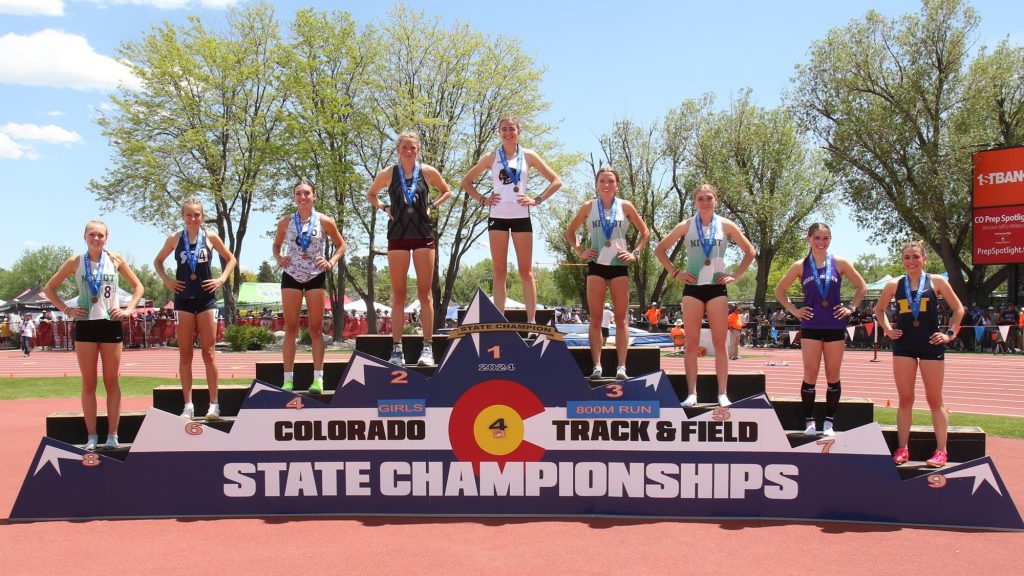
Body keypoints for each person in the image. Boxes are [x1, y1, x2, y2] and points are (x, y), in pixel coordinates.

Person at [42, 220, 143, 450]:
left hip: (110, 325)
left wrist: (128, 310)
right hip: (86, 325)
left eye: (100, 235)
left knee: (112, 382)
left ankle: (113, 436)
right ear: (84, 237)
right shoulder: (75, 261)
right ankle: (91, 437)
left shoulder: (115, 259)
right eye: (92, 235)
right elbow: (49, 288)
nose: (96, 239)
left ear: (107, 237)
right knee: (89, 383)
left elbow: (138, 287)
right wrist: (66, 310)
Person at [655, 184, 756, 407]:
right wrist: (675, 273)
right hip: (692, 289)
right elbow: (659, 250)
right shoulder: (686, 225)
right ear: (695, 202)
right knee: (691, 343)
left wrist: (736, 275)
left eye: (709, 198)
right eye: (700, 198)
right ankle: (692, 393)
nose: (705, 202)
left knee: (720, 343)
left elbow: (750, 251)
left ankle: (722, 393)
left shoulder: (726, 225)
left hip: (717, 288)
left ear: (716, 200)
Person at [461, 116, 562, 324]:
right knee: (499, 272)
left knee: (526, 271)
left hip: (521, 216)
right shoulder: (491, 157)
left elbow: (556, 181)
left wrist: (537, 199)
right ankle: (500, 320)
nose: (508, 133)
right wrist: (482, 199)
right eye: (504, 129)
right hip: (497, 216)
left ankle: (532, 322)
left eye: (512, 129)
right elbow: (466, 182)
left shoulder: (529, 155)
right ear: (499, 132)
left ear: (519, 132)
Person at [874, 241, 964, 467]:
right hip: (903, 346)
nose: (911, 261)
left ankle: (941, 451)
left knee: (935, 400)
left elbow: (959, 308)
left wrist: (950, 334)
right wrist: (888, 330)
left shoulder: (937, 281)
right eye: (907, 257)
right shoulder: (894, 284)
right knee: (905, 399)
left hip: (931, 344)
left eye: (916, 257)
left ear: (924, 259)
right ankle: (902, 448)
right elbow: (879, 309)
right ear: (902, 260)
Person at [773, 223, 868, 436]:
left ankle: (828, 422)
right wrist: (795, 311)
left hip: (835, 326)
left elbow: (862, 287)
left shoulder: (840, 263)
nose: (821, 242)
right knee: (811, 374)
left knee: (833, 374)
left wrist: (851, 308)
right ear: (808, 239)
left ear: (830, 240)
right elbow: (779, 291)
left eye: (825, 238)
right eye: (817, 238)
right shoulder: (800, 265)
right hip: (811, 326)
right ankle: (808, 422)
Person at [367, 131, 452, 365]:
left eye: (412, 148)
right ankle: (396, 349)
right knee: (399, 294)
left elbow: (447, 190)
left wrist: (432, 205)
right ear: (398, 150)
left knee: (425, 294)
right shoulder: (388, 173)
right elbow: (371, 195)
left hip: (423, 234)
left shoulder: (427, 171)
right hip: (398, 236)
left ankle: (427, 348)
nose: (408, 151)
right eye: (404, 147)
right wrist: (384, 208)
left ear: (418, 150)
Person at [565, 166, 651, 380]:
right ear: (597, 183)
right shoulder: (588, 207)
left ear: (617, 184)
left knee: (621, 320)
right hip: (596, 266)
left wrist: (635, 253)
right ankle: (597, 367)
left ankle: (622, 367)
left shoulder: (625, 206)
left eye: (611, 181)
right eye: (603, 181)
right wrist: (580, 250)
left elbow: (645, 232)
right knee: (595, 319)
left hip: (619, 266)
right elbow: (569, 232)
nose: (606, 185)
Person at [155, 198, 237, 420]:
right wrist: (167, 281)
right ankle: (188, 406)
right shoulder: (175, 238)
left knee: (209, 352)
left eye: (197, 215)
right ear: (183, 216)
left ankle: (214, 405)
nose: (193, 219)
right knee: (185, 354)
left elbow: (231, 259)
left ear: (202, 216)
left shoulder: (210, 237)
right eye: (189, 215)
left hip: (206, 300)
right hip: (183, 300)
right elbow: (158, 261)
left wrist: (220, 279)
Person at [273, 180, 347, 392]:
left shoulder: (324, 221)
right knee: (291, 329)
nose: (302, 197)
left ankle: (318, 379)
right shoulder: (285, 222)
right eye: (298, 193)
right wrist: (278, 257)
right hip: (291, 275)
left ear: (314, 196)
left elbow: (342, 245)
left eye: (307, 193)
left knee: (315, 329)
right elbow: (276, 245)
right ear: (294, 197)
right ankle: (288, 379)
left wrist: (331, 261)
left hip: (316, 275)